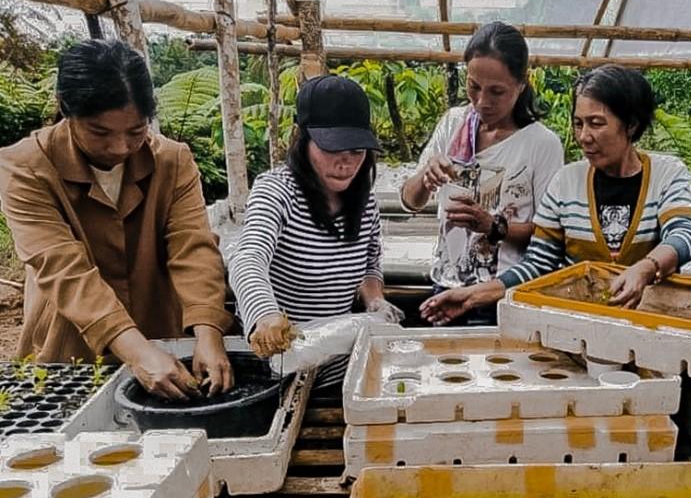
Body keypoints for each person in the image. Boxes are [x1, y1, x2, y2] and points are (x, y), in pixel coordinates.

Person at [0, 39, 234, 400]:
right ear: (65, 108)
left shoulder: (172, 161)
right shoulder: (25, 167)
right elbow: (62, 268)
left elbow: (193, 247)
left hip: (162, 336)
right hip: (70, 348)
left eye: (136, 131)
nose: (121, 148)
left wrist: (207, 330)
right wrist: (138, 353)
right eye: (100, 132)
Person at [421, 64, 691, 324]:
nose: (584, 136)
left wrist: (646, 268)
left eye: (596, 123)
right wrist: (471, 296)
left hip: (647, 324)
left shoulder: (666, 173)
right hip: (578, 324)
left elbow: (684, 236)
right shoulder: (567, 182)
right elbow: (538, 264)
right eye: (579, 124)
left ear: (630, 125)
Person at [229, 75, 401, 390]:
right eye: (333, 148)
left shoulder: (365, 203)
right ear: (302, 138)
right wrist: (266, 316)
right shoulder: (276, 191)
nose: (347, 161)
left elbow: (369, 265)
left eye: (357, 150)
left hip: (340, 371)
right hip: (283, 376)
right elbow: (248, 258)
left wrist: (375, 300)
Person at [401, 21, 564, 325]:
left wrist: (491, 225)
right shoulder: (454, 123)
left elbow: (549, 236)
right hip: (446, 286)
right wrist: (427, 173)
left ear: (521, 83)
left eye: (497, 92)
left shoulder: (541, 144)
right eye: (473, 86)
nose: (481, 102)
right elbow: (410, 201)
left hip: (503, 295)